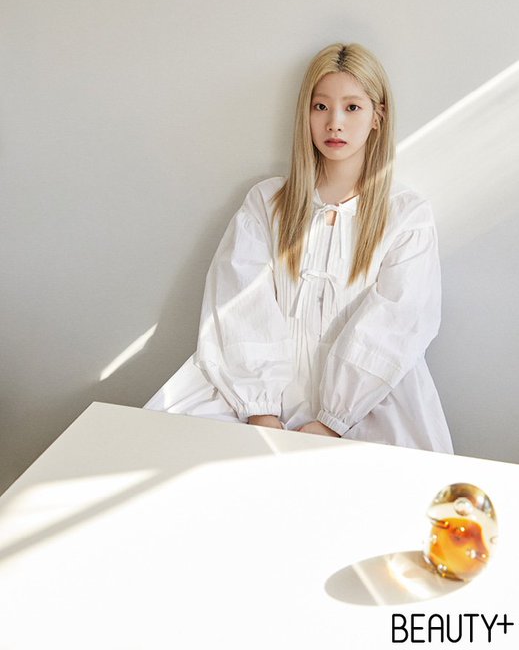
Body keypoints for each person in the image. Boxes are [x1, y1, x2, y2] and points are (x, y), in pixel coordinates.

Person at [144, 42, 453, 453]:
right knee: (164, 449)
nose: (334, 123)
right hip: (250, 392)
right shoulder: (267, 202)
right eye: (320, 107)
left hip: (368, 399)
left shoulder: (406, 214)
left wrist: (333, 420)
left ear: (378, 116)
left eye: (352, 107)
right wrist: (260, 409)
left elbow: (400, 321)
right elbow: (238, 302)